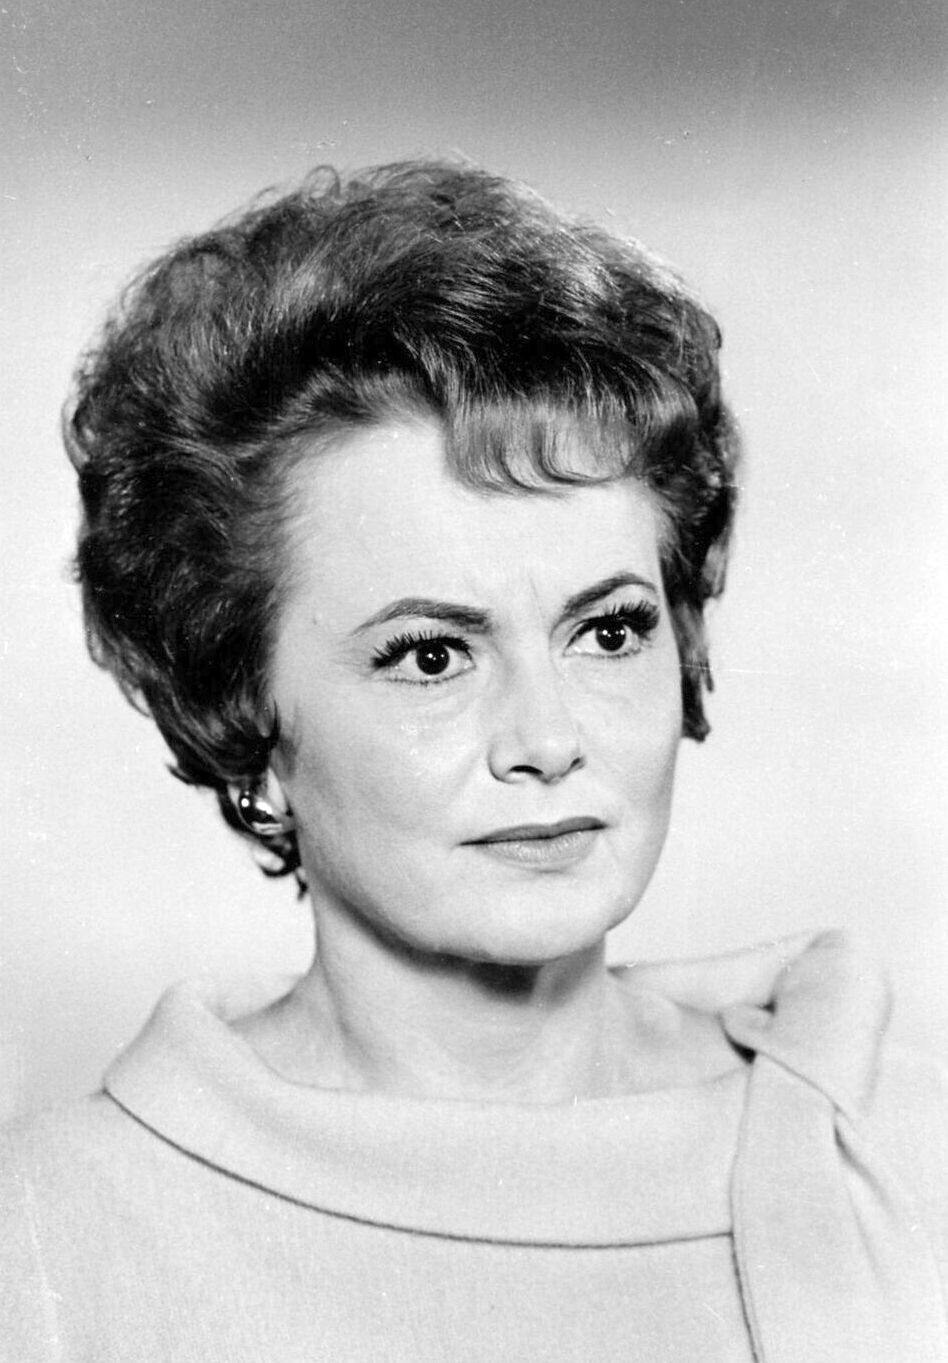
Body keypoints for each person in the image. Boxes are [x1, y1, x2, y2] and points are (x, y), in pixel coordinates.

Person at [1, 160, 946, 1362]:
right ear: (241, 707)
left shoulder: (908, 1150)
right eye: (431, 655)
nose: (547, 739)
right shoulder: (50, 1241)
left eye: (610, 631)